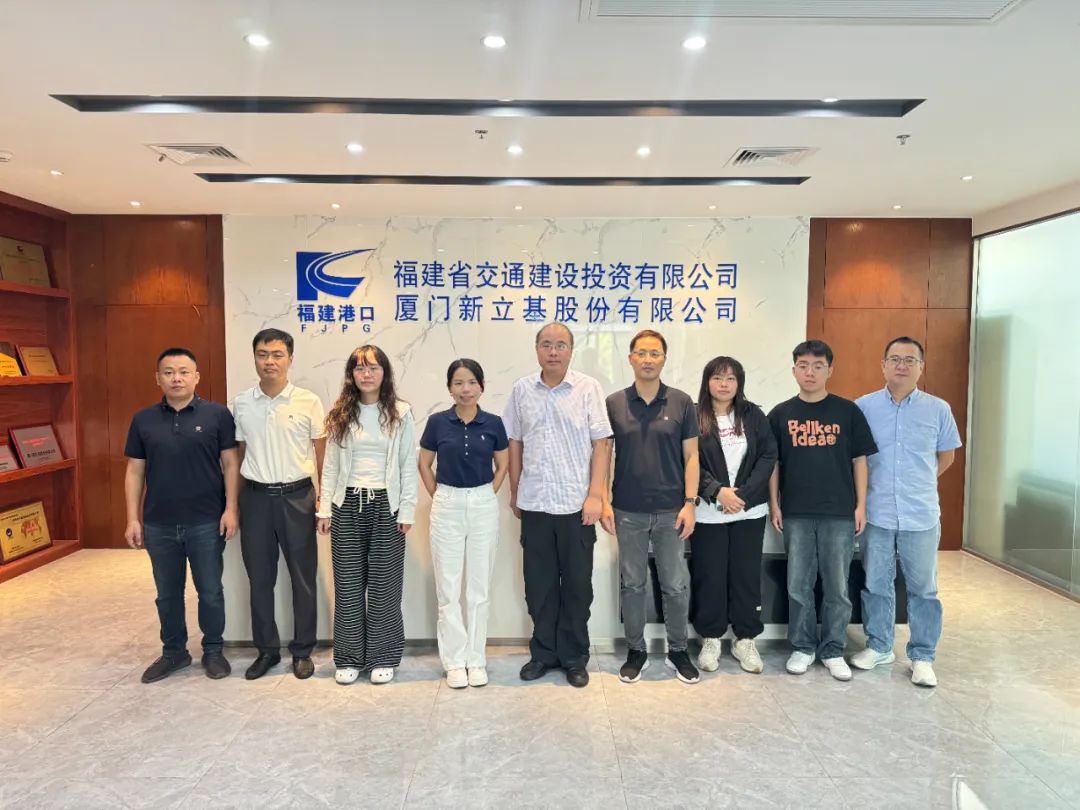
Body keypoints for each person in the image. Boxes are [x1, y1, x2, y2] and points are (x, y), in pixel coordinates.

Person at [504, 322, 613, 688]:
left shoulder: (587, 388)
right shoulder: (522, 390)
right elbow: (515, 442)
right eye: (547, 344)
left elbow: (602, 444)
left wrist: (596, 495)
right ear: (537, 349)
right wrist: (515, 489)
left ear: (571, 350)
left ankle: (574, 657)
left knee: (578, 587)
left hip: (576, 505)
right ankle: (543, 654)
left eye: (561, 345)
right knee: (539, 586)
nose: (553, 351)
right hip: (535, 503)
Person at [123, 348, 240, 683]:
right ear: (158, 378)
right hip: (159, 522)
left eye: (184, 372)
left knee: (210, 591)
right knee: (167, 594)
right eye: (169, 372)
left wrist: (231, 508)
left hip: (206, 520)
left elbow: (231, 463)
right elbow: (135, 471)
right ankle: (174, 652)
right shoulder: (143, 419)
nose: (177, 378)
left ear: (196, 377)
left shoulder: (218, 415)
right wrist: (133, 518)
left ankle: (213, 650)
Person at [852, 337, 961, 688]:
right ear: (883, 365)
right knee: (876, 583)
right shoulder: (864, 407)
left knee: (923, 589)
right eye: (895, 359)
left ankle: (923, 656)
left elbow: (946, 456)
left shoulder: (938, 409)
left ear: (921, 367)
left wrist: (920, 482)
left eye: (909, 360)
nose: (902, 365)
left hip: (920, 513)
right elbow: (856, 458)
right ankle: (879, 646)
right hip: (878, 511)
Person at [768, 340, 877, 681]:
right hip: (796, 512)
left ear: (830, 370)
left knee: (837, 587)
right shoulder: (780, 414)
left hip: (839, 513)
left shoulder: (848, 412)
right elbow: (773, 464)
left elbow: (860, 461)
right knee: (798, 584)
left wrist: (861, 505)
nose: (810, 372)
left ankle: (833, 649)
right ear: (794, 371)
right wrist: (774, 503)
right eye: (803, 365)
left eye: (818, 366)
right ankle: (802, 647)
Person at [602, 330, 700, 685]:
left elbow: (692, 456)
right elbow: (603, 455)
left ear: (664, 359)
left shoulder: (681, 402)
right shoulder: (614, 403)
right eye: (641, 353)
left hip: (671, 510)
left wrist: (690, 503)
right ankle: (636, 651)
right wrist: (603, 500)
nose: (647, 359)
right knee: (632, 584)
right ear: (630, 358)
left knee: (675, 584)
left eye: (654, 353)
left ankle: (678, 650)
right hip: (627, 509)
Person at [317, 345, 417, 685]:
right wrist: (325, 508)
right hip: (346, 504)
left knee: (384, 585)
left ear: (384, 372)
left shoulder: (401, 413)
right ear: (351, 375)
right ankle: (348, 657)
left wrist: (407, 509)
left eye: (373, 367)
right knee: (347, 584)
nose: (367, 374)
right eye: (359, 368)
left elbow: (407, 464)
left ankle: (382, 656)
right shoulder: (341, 413)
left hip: (387, 505)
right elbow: (331, 465)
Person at [232, 328, 326, 681]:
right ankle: (267, 651)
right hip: (255, 498)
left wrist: (323, 501)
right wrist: (233, 504)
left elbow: (322, 456)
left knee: (303, 578)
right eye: (262, 354)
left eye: (277, 354)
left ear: (290, 359)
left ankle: (302, 651)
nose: (269, 361)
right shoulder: (241, 403)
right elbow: (238, 456)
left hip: (298, 497)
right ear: (254, 358)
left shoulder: (308, 401)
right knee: (259, 579)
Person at [419, 359, 509, 689]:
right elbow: (424, 464)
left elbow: (503, 465)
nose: (465, 389)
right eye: (458, 383)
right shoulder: (437, 422)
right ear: (449, 388)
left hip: (483, 503)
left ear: (481, 386)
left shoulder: (494, 423)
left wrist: (486, 494)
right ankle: (455, 662)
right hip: (447, 503)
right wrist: (440, 495)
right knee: (448, 588)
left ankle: (476, 659)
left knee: (479, 589)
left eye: (471, 382)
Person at [691, 356, 777, 675]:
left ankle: (745, 639)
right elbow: (687, 459)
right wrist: (717, 491)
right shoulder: (694, 415)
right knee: (710, 575)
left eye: (730, 378)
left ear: (739, 382)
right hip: (708, 513)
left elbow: (768, 455)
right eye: (717, 378)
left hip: (748, 511)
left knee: (746, 575)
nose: (724, 384)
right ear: (707, 382)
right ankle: (711, 638)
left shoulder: (753, 414)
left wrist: (742, 496)